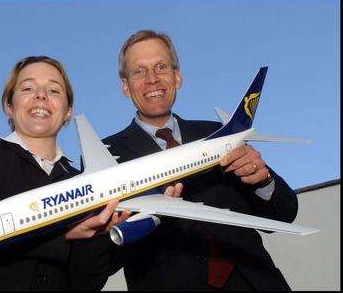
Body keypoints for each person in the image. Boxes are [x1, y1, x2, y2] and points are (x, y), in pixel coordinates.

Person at [101, 30, 298, 291]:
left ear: (177, 76)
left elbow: (285, 215)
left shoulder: (218, 133)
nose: (152, 79)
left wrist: (263, 180)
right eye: (139, 71)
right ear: (125, 86)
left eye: (161, 67)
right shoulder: (105, 155)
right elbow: (103, 256)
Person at [0, 55, 132, 291]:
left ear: (68, 111)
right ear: (8, 106)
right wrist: (60, 235)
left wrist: (98, 236)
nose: (41, 95)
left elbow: (85, 281)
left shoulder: (84, 182)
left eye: (54, 90)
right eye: (28, 87)